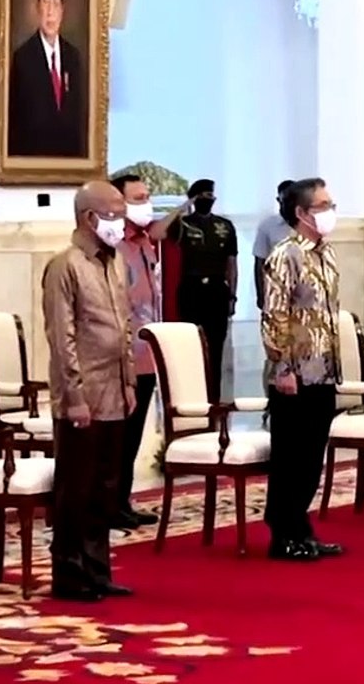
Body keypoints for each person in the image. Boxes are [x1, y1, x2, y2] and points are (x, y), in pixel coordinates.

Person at [42, 181, 137, 601]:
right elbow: (61, 337)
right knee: (76, 488)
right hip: (82, 394)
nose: (122, 220)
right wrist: (74, 395)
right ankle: (69, 572)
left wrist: (130, 379)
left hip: (116, 388)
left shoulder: (113, 262)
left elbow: (125, 326)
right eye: (114, 212)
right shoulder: (66, 265)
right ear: (89, 217)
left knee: (105, 487)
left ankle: (98, 569)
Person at [261, 178, 345, 561]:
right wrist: (282, 366)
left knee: (312, 455)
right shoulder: (286, 254)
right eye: (322, 205)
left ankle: (301, 527)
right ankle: (283, 531)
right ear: (301, 213)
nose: (330, 210)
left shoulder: (325, 253)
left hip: (323, 369)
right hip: (293, 373)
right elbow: (275, 313)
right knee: (291, 456)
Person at [110, 174, 161, 529]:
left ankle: (122, 500)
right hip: (121, 355)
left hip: (147, 354)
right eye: (138, 198)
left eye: (147, 197)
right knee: (117, 436)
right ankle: (107, 502)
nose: (146, 204)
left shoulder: (145, 242)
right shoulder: (115, 246)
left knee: (134, 434)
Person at [7, 0, 86, 157]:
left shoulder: (73, 57)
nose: (50, 12)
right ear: (37, 6)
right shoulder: (23, 58)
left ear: (63, 10)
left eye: (56, 3)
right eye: (45, 2)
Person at [168, 179, 237, 399]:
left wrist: (232, 296)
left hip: (217, 290)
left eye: (211, 195)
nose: (209, 199)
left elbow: (231, 264)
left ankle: (213, 397)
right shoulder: (182, 225)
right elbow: (160, 232)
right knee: (190, 346)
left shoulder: (225, 226)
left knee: (216, 346)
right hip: (191, 289)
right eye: (203, 195)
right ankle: (191, 396)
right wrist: (183, 206)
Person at [253, 180, 294, 429]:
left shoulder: (305, 227)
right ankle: (271, 402)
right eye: (278, 200)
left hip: (300, 305)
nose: (281, 205)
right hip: (274, 302)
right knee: (273, 356)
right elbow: (260, 262)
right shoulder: (268, 226)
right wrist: (261, 296)